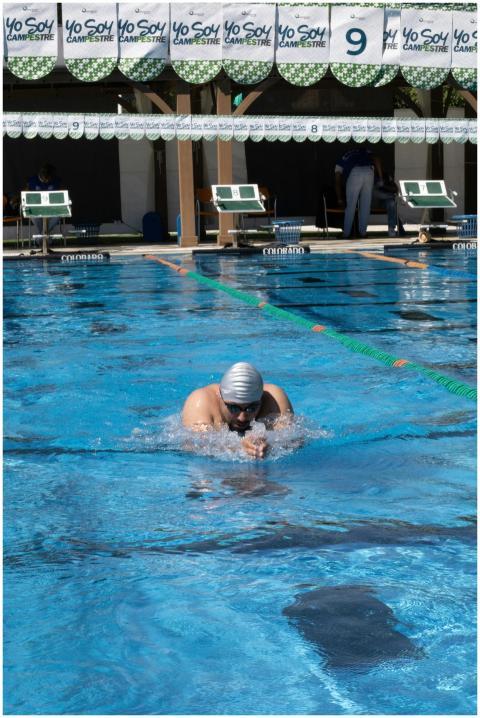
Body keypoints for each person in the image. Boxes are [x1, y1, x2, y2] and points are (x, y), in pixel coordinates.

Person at [182, 362, 293, 459]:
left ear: (261, 399)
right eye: (234, 408)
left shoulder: (275, 400)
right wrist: (238, 447)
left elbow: (293, 440)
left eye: (251, 408)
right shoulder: (201, 402)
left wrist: (271, 445)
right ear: (221, 396)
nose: (242, 417)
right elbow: (193, 445)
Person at [335, 148, 383, 239]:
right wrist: (380, 178)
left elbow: (337, 181)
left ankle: (346, 234)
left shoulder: (342, 160)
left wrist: (339, 199)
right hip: (369, 171)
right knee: (366, 205)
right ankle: (363, 233)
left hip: (355, 172)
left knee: (351, 205)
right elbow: (377, 159)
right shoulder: (366, 151)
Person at [26, 163, 61, 235]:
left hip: (51, 208)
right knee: (33, 215)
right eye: (45, 178)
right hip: (36, 208)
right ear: (40, 174)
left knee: (58, 215)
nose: (47, 180)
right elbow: (26, 195)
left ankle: (41, 237)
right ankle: (44, 237)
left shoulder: (56, 180)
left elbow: (60, 195)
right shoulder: (33, 180)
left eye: (49, 178)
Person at [371, 171, 406, 238]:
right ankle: (399, 227)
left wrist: (385, 186)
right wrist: (391, 196)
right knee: (392, 201)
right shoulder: (371, 175)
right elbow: (375, 194)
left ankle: (391, 229)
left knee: (392, 203)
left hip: (385, 201)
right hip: (373, 202)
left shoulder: (386, 175)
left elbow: (395, 189)